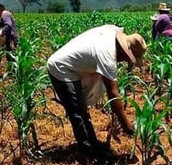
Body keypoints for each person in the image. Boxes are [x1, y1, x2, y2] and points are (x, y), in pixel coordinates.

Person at [47, 24, 147, 156]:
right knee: (77, 110)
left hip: (75, 67)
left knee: (80, 108)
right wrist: (126, 125)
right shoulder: (108, 53)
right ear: (124, 49)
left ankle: (92, 143)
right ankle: (89, 153)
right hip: (62, 68)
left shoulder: (113, 32)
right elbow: (113, 93)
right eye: (127, 57)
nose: (125, 61)